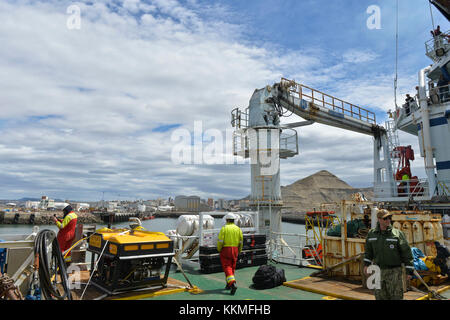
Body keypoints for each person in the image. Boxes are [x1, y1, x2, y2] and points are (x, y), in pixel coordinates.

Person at [363, 209, 414, 300]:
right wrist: (366, 265)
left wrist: (409, 270)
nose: (388, 220)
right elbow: (368, 251)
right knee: (379, 296)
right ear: (379, 219)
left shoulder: (397, 234)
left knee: (396, 297)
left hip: (394, 272)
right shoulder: (372, 234)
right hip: (377, 271)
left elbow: (406, 252)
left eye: (389, 218)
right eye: (385, 218)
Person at [217, 213, 243, 295]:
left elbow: (220, 241)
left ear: (227, 220)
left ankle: (232, 283)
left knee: (227, 267)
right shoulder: (238, 229)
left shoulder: (224, 228)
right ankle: (228, 284)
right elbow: (241, 241)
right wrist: (239, 250)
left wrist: (219, 249)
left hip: (226, 249)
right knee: (232, 267)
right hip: (235, 249)